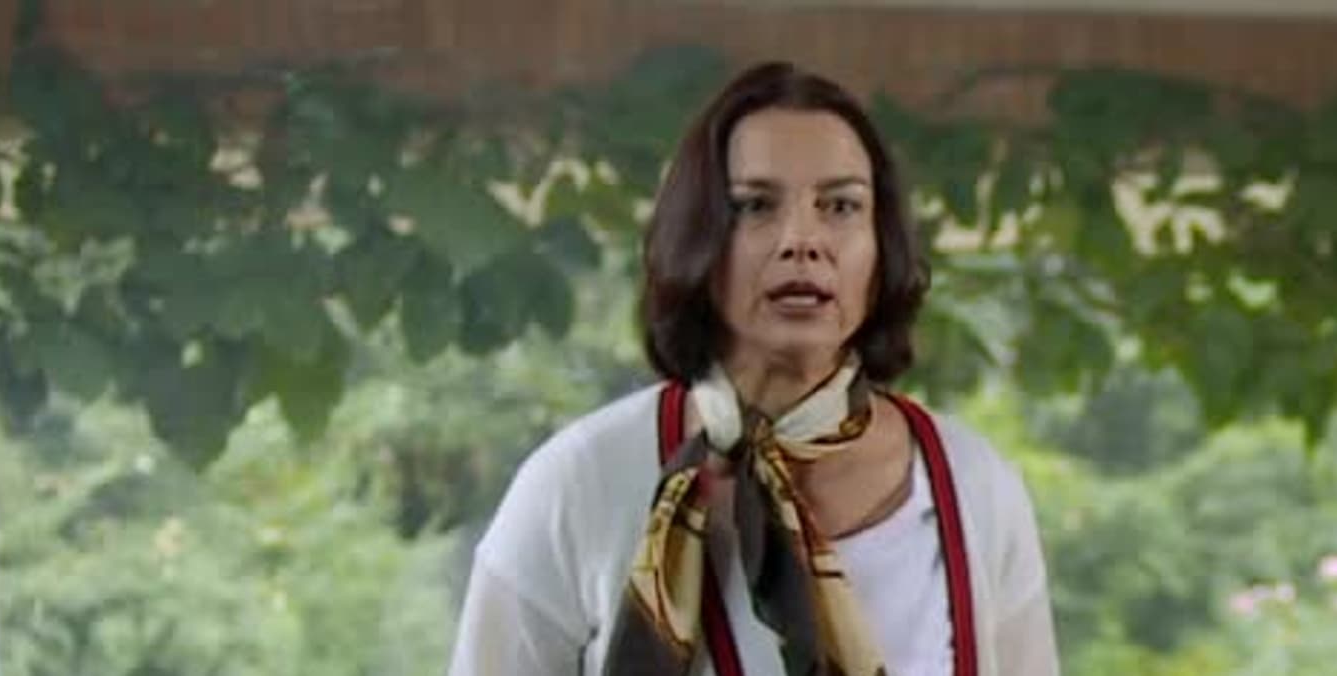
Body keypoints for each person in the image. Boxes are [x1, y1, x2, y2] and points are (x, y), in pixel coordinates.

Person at [448, 61, 1059, 676]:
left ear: (882, 244)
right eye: (755, 206)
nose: (802, 240)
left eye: (841, 205)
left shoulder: (974, 484)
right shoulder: (582, 482)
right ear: (697, 238)